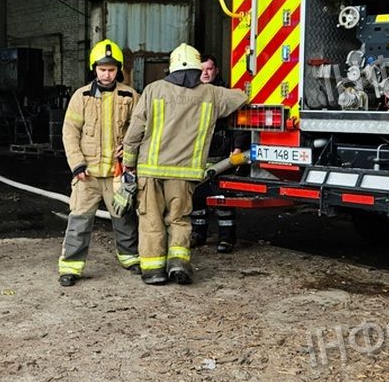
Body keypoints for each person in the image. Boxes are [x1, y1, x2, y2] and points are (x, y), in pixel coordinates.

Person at [121, 44, 247, 285]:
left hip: (150, 170)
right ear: (196, 67)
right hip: (183, 174)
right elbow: (241, 97)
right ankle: (178, 265)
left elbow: (134, 132)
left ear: (172, 67)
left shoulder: (153, 89)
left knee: (151, 220)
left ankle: (154, 270)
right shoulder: (211, 94)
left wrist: (129, 164)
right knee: (179, 220)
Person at [57, 40, 141, 287]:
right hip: (88, 175)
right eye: (102, 69)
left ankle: (130, 258)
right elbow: (69, 132)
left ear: (119, 70)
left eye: (112, 69)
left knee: (124, 219)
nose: (107, 74)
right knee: (79, 221)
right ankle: (71, 267)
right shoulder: (80, 96)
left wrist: (128, 150)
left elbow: (138, 130)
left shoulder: (130, 96)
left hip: (116, 172)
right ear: (94, 68)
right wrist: (77, 165)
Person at [189, 54, 250, 253]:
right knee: (197, 197)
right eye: (201, 69)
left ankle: (226, 239)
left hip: (223, 156)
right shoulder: (191, 93)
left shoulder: (225, 94)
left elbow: (239, 122)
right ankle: (198, 234)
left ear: (216, 71)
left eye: (209, 69)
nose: (205, 73)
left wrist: (238, 148)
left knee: (223, 198)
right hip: (199, 156)